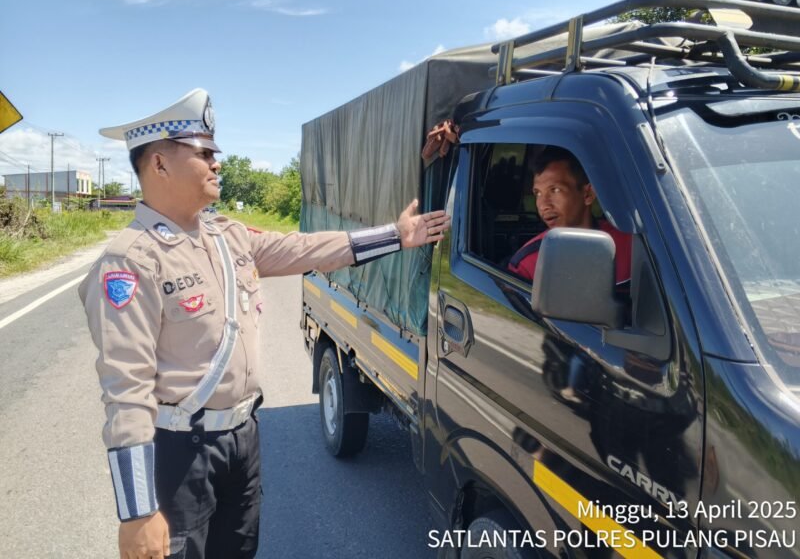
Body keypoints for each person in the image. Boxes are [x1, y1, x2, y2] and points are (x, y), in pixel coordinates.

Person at [78, 88, 451, 559]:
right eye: (204, 153)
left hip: (242, 439)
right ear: (159, 165)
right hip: (179, 454)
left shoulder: (225, 235)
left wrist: (396, 236)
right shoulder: (130, 262)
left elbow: (306, 249)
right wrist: (136, 513)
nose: (217, 163)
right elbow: (125, 390)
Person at [507, 147, 632, 403]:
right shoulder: (528, 262)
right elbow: (524, 334)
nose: (543, 205)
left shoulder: (631, 245)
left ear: (587, 193)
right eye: (537, 193)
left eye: (555, 190)